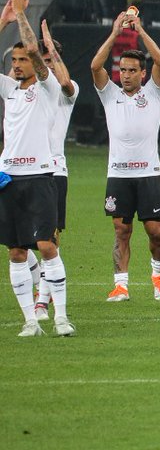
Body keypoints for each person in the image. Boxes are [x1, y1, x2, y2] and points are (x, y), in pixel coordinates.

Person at [0, 0, 75, 337]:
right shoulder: (10, 90)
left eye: (21, 61)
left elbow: (33, 48)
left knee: (46, 245)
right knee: (16, 251)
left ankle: (60, 317)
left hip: (41, 176)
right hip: (9, 178)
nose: (16, 65)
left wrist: (20, 16)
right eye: (13, 62)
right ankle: (31, 321)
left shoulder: (49, 90)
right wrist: (3, 22)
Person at [90, 10, 160, 303]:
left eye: (132, 70)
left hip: (149, 173)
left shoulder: (154, 93)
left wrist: (140, 30)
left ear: (142, 74)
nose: (125, 75)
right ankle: (121, 285)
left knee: (155, 232)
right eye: (122, 70)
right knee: (121, 230)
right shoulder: (109, 94)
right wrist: (114, 33)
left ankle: (158, 274)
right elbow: (95, 65)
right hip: (119, 174)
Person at [32, 23, 77, 322]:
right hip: (20, 169)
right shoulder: (25, 89)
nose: (45, 66)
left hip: (53, 170)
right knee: (20, 241)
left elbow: (63, 83)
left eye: (50, 60)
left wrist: (48, 44)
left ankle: (43, 300)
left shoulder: (68, 90)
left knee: (49, 240)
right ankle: (39, 280)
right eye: (42, 60)